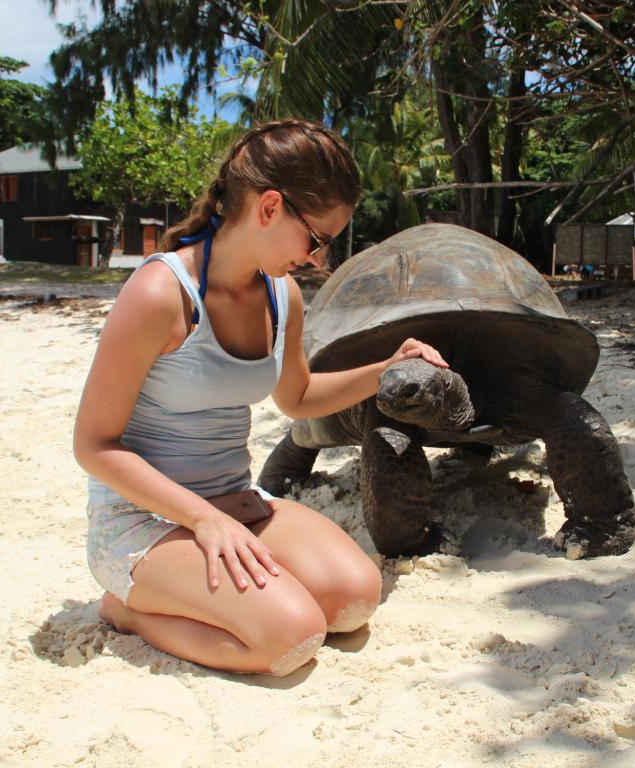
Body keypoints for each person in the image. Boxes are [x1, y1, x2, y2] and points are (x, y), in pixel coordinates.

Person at [74, 119, 447, 676]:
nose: (319, 259)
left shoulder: (282, 294)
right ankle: (128, 610)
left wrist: (389, 368)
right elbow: (93, 446)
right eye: (316, 239)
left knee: (353, 599)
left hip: (233, 503)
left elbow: (296, 398)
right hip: (143, 518)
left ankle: (226, 592)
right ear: (269, 207)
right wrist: (201, 519)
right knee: (288, 639)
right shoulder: (159, 294)